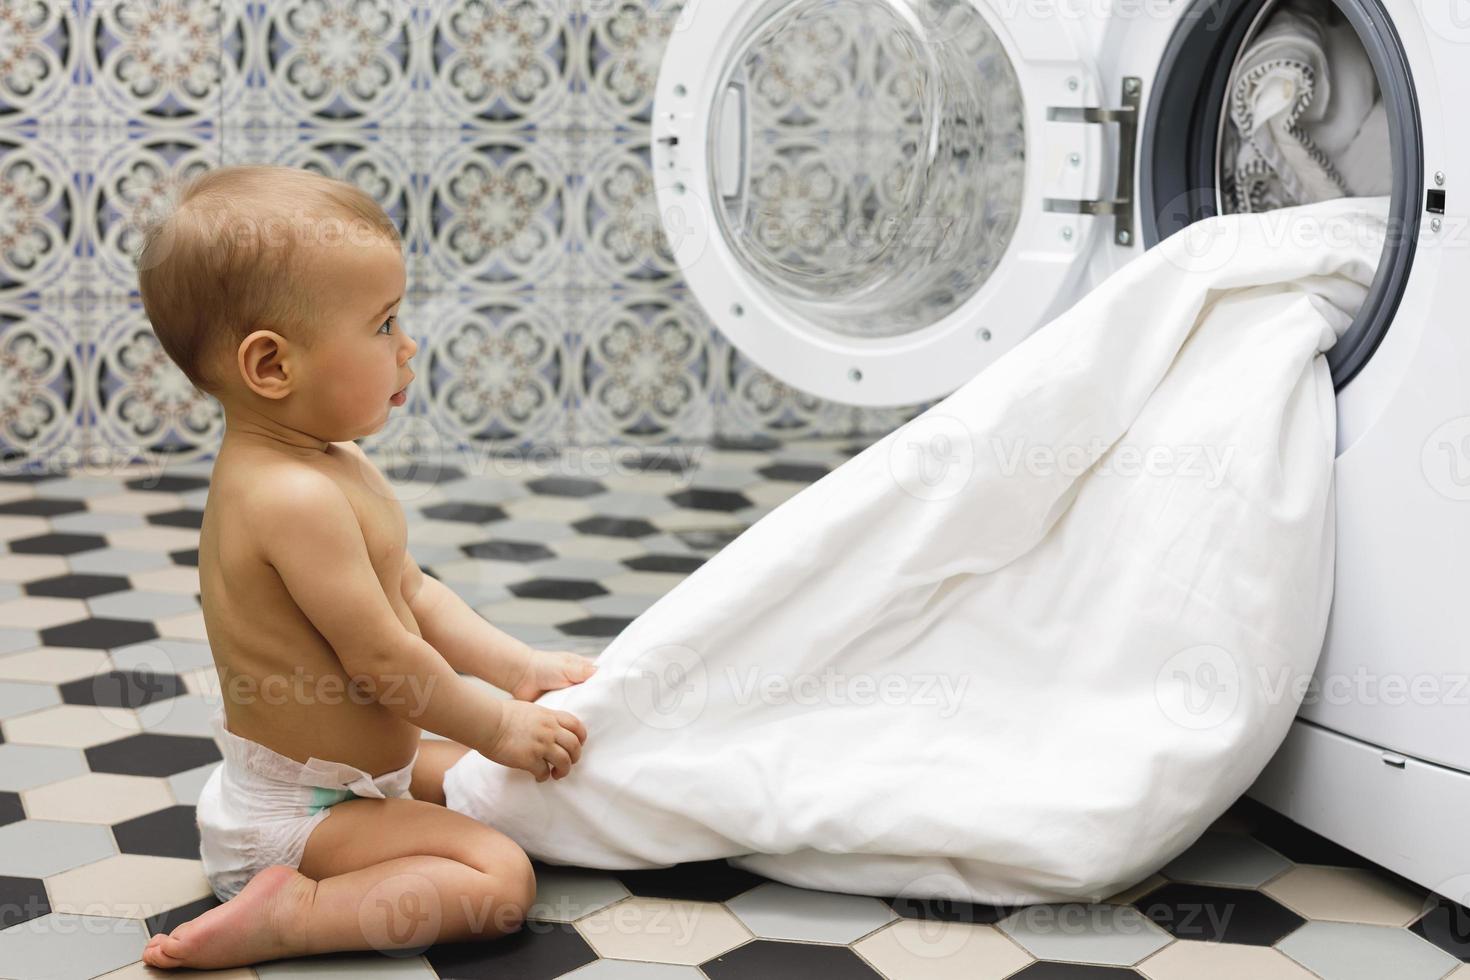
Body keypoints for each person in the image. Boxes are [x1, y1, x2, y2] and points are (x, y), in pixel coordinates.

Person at [132, 164, 597, 969]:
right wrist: (498, 724)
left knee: (502, 781)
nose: (407, 344)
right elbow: (385, 661)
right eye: (383, 326)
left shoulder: (331, 461)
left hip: (355, 776)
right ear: (273, 367)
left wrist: (516, 670)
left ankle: (362, 849)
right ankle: (297, 912)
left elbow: (413, 591)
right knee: (498, 880)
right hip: (298, 818)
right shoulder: (286, 497)